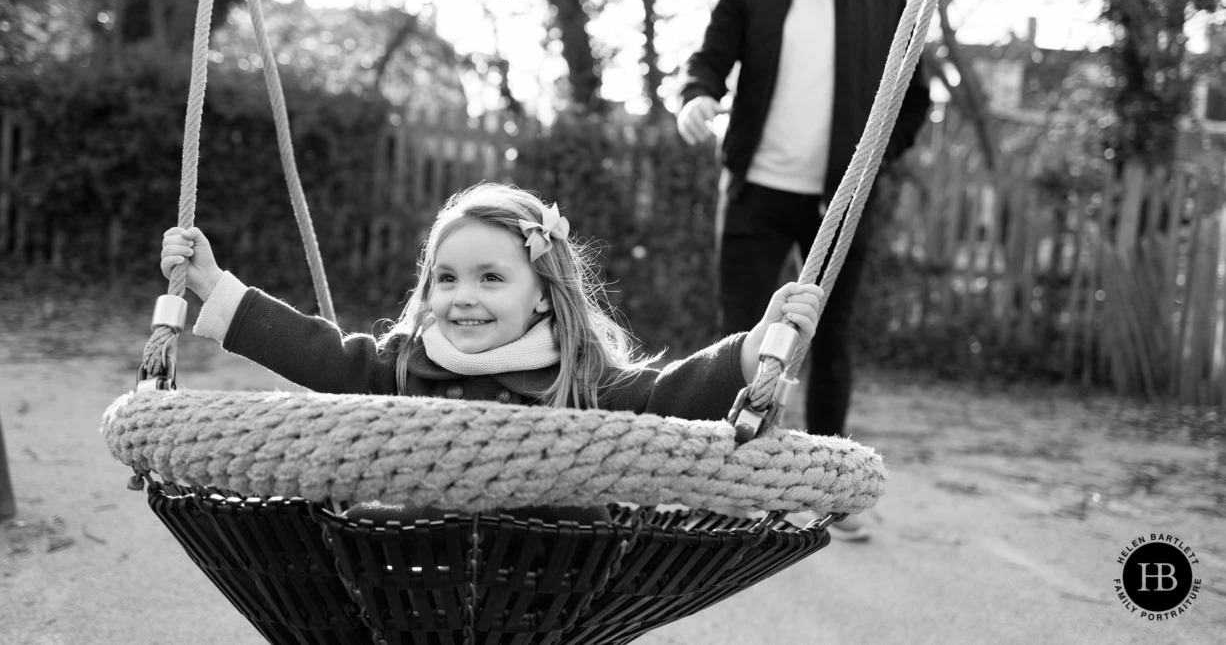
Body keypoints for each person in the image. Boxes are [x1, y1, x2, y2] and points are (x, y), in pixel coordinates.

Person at [161, 182, 823, 523]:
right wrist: (215, 288)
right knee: (340, 522)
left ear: (541, 295)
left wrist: (754, 350)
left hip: (549, 583)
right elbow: (323, 356)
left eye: (491, 278)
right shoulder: (405, 365)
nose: (463, 297)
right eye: (446, 278)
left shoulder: (576, 379)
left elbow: (664, 397)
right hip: (419, 571)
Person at [675, 0, 931, 541]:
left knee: (833, 339)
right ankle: (725, 483)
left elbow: (916, 102)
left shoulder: (885, 1)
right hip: (758, 194)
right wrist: (697, 98)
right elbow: (706, 65)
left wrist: (871, 167)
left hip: (838, 204)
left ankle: (829, 489)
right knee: (740, 339)